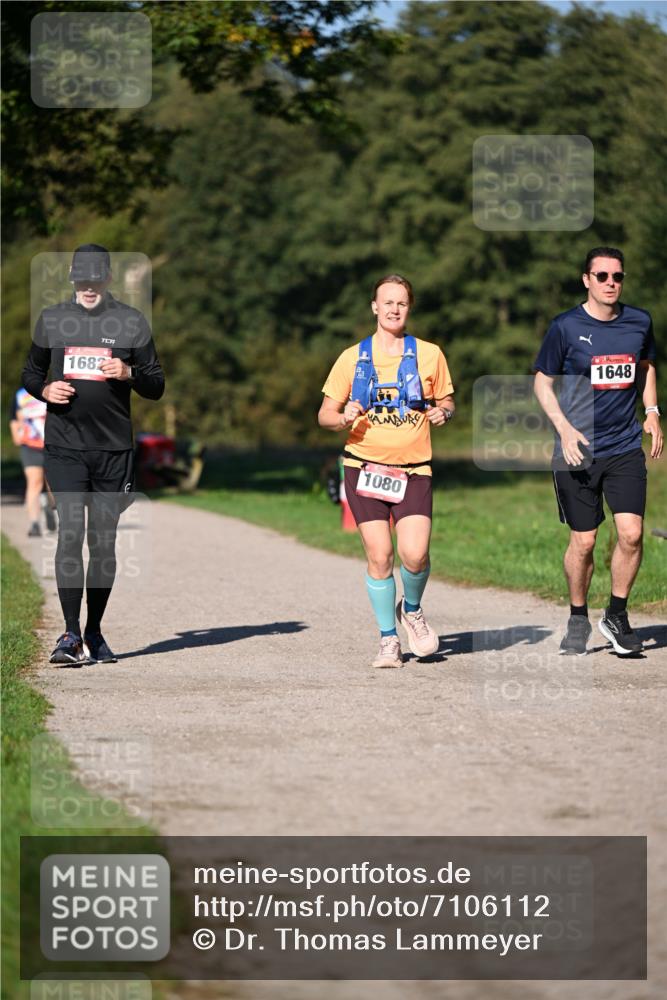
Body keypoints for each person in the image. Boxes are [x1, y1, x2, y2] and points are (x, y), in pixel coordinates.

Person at [22, 244, 165, 665]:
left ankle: (94, 633)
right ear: (72, 279)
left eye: (94, 278)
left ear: (106, 279)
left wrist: (130, 373)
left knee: (102, 543)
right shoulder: (51, 320)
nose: (87, 286)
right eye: (80, 279)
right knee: (69, 533)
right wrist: (45, 390)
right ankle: (68, 635)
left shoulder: (131, 322)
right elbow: (30, 372)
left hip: (113, 450)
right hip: (65, 447)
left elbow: (156, 384)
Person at [318, 274, 455, 668]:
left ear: (409, 309)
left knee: (414, 555)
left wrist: (443, 412)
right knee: (380, 556)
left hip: (414, 470)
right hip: (364, 468)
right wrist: (342, 416)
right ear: (374, 307)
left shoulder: (429, 354)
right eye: (387, 303)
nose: (395, 309)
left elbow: (447, 399)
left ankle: (410, 609)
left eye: (402, 303)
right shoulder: (352, 357)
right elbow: (324, 415)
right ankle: (388, 640)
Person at [534, 247, 662, 657]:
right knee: (585, 541)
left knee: (631, 533)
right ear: (586, 279)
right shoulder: (565, 327)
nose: (611, 283)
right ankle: (577, 616)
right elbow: (541, 381)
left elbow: (645, 367)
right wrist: (564, 429)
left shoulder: (638, 321)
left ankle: (617, 615)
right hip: (577, 450)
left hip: (625, 445)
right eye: (602, 276)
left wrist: (653, 412)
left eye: (617, 277)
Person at [9, 386, 57, 536]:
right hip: (30, 445)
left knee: (52, 485)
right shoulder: (21, 394)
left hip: (52, 445)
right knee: (34, 483)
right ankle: (35, 524)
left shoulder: (52, 389)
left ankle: (50, 508)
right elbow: (14, 417)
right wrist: (15, 433)